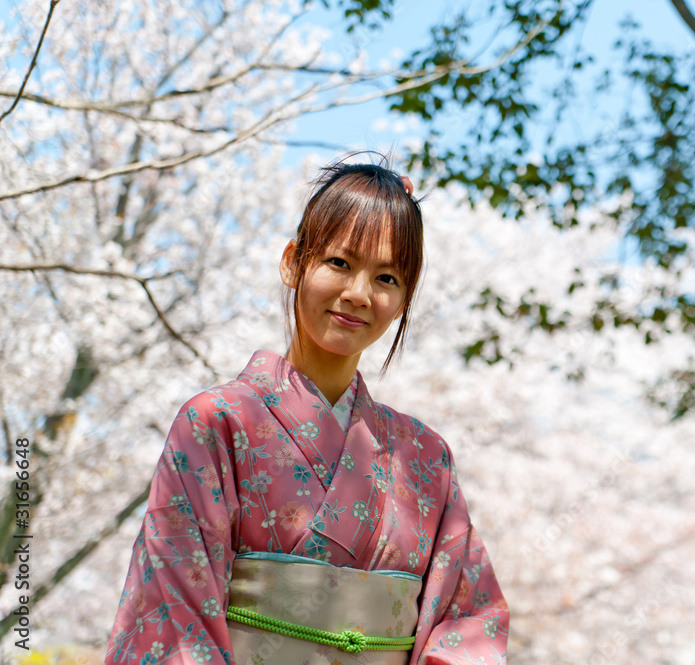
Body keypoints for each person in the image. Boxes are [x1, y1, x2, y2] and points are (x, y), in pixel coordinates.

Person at [104, 157, 508, 665]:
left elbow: (469, 620)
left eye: (386, 278)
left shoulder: (426, 456)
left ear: (404, 298)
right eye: (339, 263)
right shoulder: (219, 423)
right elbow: (174, 615)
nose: (358, 294)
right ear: (294, 262)